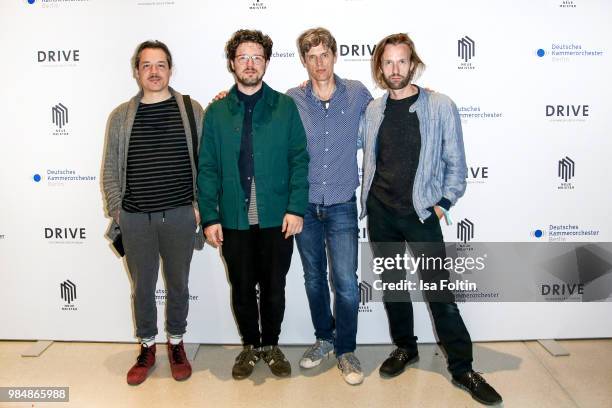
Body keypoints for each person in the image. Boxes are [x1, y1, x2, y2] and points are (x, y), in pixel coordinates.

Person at [360, 33, 502, 405]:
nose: (395, 69)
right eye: (388, 62)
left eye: (402, 61)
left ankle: (462, 367)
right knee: (394, 287)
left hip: (422, 215)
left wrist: (442, 203)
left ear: (414, 64)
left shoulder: (440, 105)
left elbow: (457, 165)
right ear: (380, 67)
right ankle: (406, 348)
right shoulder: (373, 110)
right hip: (381, 214)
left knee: (440, 294)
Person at [197, 29, 309, 380]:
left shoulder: (285, 107)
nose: (250, 63)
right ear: (232, 63)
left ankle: (271, 344)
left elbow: (299, 160)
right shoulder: (216, 112)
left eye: (257, 57)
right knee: (242, 287)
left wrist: (295, 208)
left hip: (277, 219)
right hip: (233, 220)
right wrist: (210, 217)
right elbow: (208, 168)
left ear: (266, 63)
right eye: (243, 57)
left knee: (275, 286)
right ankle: (250, 346)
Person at [102, 40, 204, 385]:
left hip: (179, 215)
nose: (154, 72)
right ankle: (147, 347)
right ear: (137, 71)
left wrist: (198, 207)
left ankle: (176, 344)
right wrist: (117, 210)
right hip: (135, 218)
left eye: (161, 65)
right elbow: (110, 170)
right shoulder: (121, 116)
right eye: (147, 65)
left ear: (170, 70)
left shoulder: (192, 110)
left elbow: (206, 163)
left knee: (178, 284)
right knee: (142, 287)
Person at [286, 27, 372, 385]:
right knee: (313, 279)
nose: (319, 63)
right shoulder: (292, 99)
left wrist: (421, 96)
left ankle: (346, 350)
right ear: (304, 60)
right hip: (304, 205)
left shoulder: (357, 93)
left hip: (340, 204)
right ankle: (324, 338)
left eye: (325, 54)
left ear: (335, 55)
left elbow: (387, 113)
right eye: (312, 56)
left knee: (347, 284)